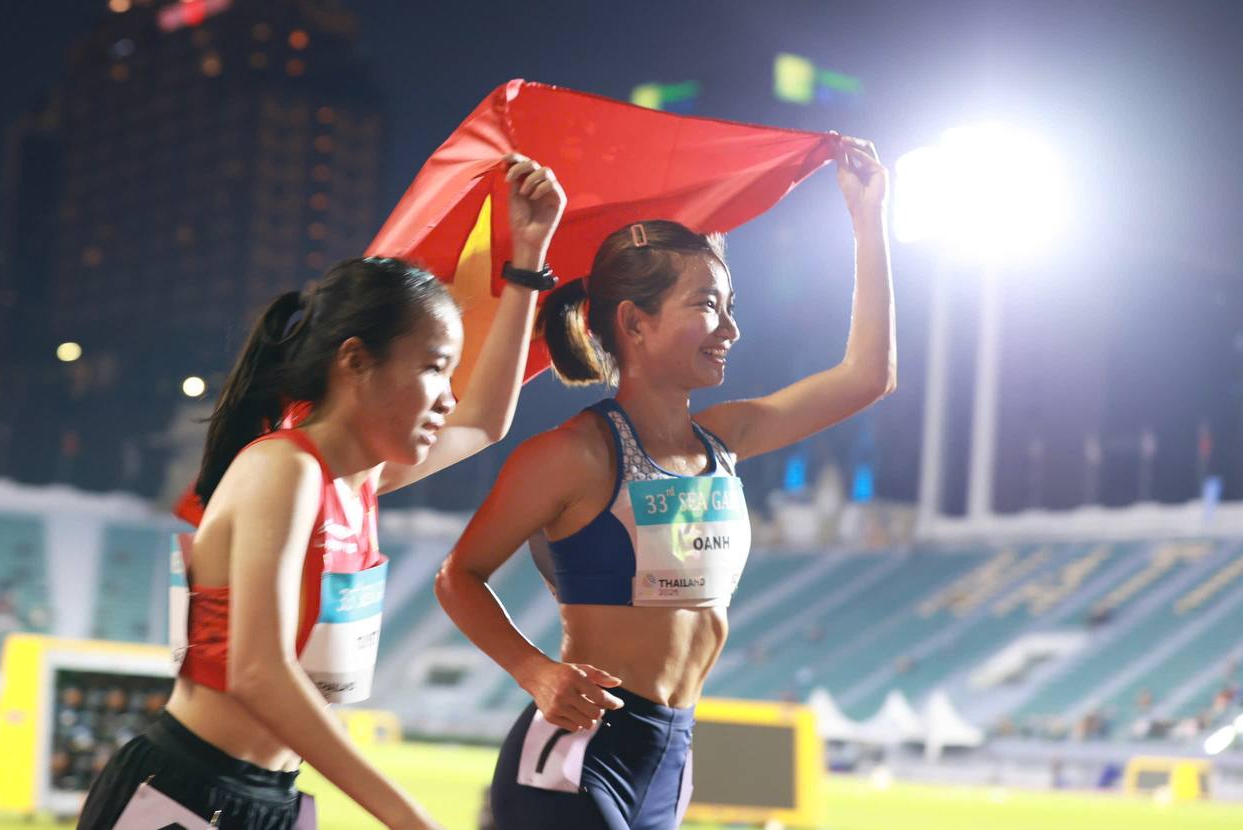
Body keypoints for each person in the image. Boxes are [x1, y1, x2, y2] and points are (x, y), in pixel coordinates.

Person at [78, 155, 566, 829]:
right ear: (355, 361)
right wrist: (409, 818)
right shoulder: (285, 469)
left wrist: (528, 263)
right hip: (185, 793)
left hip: (273, 798)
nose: (448, 397)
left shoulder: (357, 482)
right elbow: (258, 671)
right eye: (434, 368)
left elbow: (484, 422)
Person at [435, 136, 894, 830]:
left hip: (670, 760)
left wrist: (868, 219)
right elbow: (458, 576)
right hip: (578, 759)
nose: (731, 328)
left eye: (730, 306)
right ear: (635, 323)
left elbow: (868, 377)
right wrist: (534, 670)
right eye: (708, 305)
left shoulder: (727, 437)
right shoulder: (573, 455)